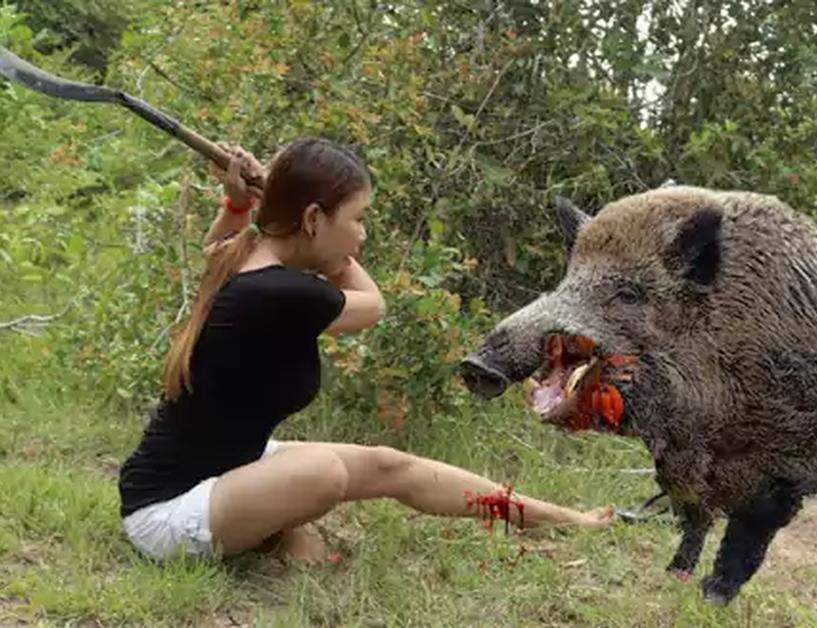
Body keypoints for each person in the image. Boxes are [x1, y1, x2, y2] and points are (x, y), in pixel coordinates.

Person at [117, 137, 614, 564]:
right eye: (357, 218)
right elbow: (373, 305)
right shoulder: (277, 291)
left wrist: (244, 204)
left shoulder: (245, 255)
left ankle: (561, 519)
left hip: (223, 471)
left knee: (387, 464)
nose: (363, 235)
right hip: (166, 514)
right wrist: (302, 227)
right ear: (313, 218)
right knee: (324, 473)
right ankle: (277, 530)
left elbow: (227, 240)